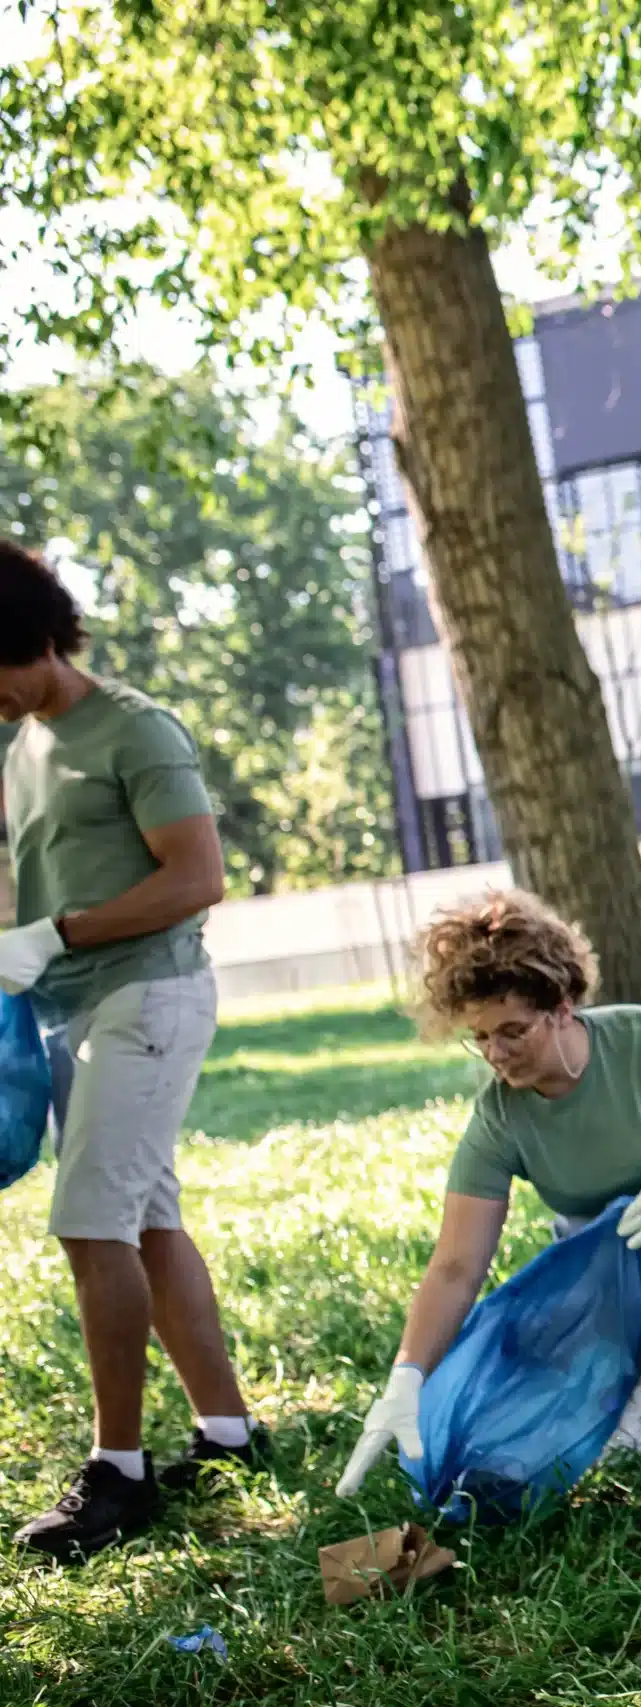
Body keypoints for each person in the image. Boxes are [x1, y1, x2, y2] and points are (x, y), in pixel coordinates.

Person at [336, 889, 641, 1498]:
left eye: (512, 1031)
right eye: (479, 1038)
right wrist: (407, 1377)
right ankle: (639, 1383)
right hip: (620, 1265)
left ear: (561, 1006)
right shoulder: (500, 1119)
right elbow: (456, 1266)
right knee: (530, 1314)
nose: (496, 1055)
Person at [0, 539, 264, 1565]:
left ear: (31, 639)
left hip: (147, 997)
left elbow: (198, 877)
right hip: (70, 1010)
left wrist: (55, 934)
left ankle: (120, 1471)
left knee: (89, 1224)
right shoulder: (24, 741)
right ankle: (229, 1434)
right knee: (148, 1221)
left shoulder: (136, 731)